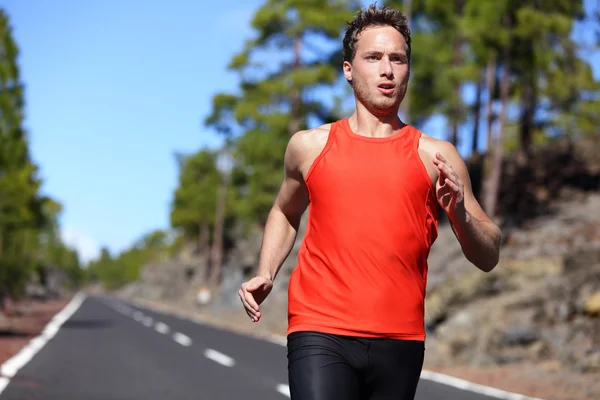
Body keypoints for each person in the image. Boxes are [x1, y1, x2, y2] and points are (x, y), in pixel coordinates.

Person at [238, 3, 502, 399]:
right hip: (319, 327)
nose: (387, 69)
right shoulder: (310, 147)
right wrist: (267, 272)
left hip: (400, 338)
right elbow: (285, 211)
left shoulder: (436, 156)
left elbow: (489, 254)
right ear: (348, 69)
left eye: (398, 59)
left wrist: (460, 214)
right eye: (374, 57)